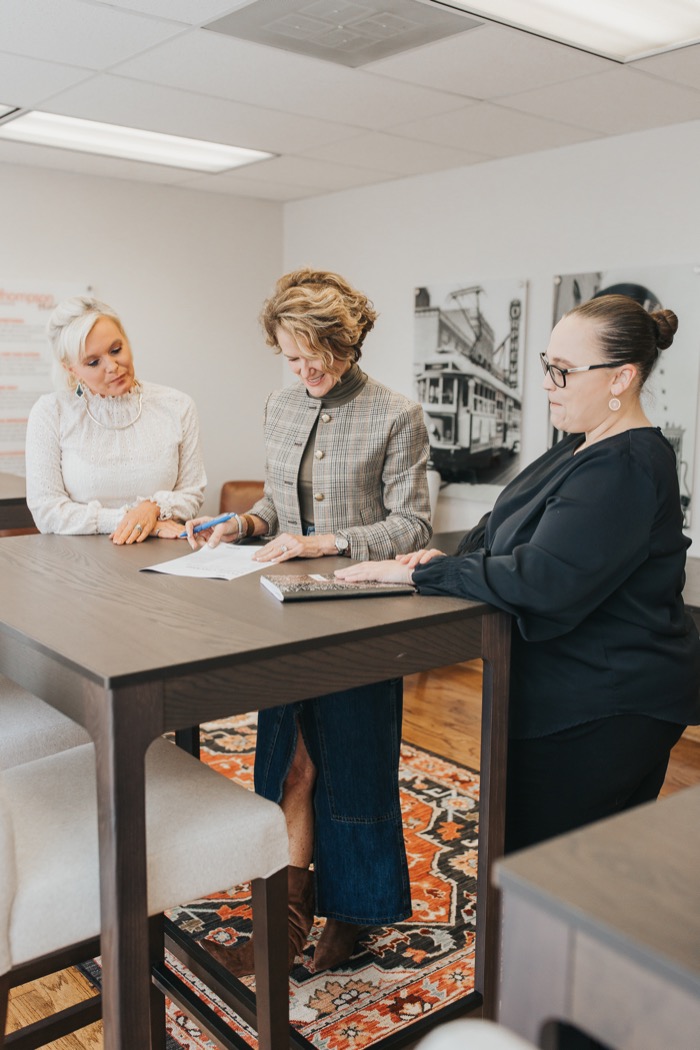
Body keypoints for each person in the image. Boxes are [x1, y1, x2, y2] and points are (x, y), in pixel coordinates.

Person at [337, 293, 700, 854]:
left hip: (605, 704)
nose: (549, 383)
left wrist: (425, 578)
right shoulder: (579, 448)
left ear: (621, 378)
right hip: (567, 689)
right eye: (545, 365)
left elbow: (543, 580)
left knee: (549, 870)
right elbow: (501, 525)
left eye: (563, 370)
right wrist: (441, 560)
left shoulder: (625, 466)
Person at [186, 268, 432, 972]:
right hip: (284, 614)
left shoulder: (397, 414)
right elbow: (278, 501)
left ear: (345, 342)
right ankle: (286, 916)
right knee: (289, 760)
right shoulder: (282, 404)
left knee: (353, 764)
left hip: (361, 617)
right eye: (291, 358)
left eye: (314, 356)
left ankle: (353, 913)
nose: (304, 370)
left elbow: (413, 525)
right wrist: (244, 521)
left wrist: (327, 542)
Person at [25, 296, 206, 540]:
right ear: (71, 368)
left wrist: (152, 509)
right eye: (93, 362)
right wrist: (135, 521)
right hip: (79, 564)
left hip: (164, 558)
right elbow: (47, 511)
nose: (112, 366)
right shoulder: (50, 413)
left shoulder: (178, 406)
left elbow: (192, 493)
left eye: (116, 350)